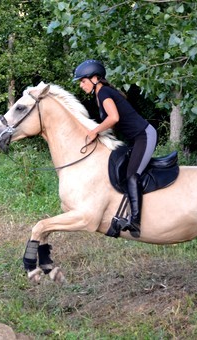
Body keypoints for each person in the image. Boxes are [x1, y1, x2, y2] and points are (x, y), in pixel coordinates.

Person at [73, 59, 157, 236]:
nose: (81, 85)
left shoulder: (104, 93)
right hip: (136, 139)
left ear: (95, 78)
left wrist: (95, 131)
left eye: (83, 81)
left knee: (132, 175)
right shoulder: (100, 94)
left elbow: (114, 118)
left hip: (144, 135)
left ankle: (135, 221)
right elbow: (111, 124)